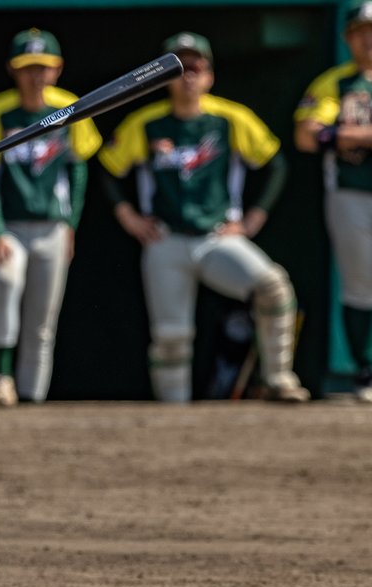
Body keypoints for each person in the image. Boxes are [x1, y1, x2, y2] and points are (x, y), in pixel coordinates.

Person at [99, 32, 310, 403]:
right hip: (165, 238)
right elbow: (108, 167)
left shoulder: (231, 118)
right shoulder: (145, 123)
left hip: (217, 237)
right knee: (171, 337)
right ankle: (174, 418)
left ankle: (278, 378)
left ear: (210, 75)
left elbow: (274, 163)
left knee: (274, 286)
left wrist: (253, 218)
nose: (188, 75)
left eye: (196, 67)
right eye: (178, 67)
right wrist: (127, 215)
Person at [0, 28, 102, 406]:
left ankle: (33, 398)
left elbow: (78, 170)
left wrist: (71, 226)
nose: (35, 76)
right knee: (5, 283)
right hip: (8, 226)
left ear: (56, 69)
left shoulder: (70, 106)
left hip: (52, 226)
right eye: (27, 68)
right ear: (13, 70)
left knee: (42, 318)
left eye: (43, 67)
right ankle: (0, 378)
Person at [294, 0, 372, 403]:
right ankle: (365, 372)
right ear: (348, 38)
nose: (370, 37)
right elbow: (307, 135)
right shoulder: (335, 82)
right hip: (351, 193)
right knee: (359, 285)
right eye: (361, 30)